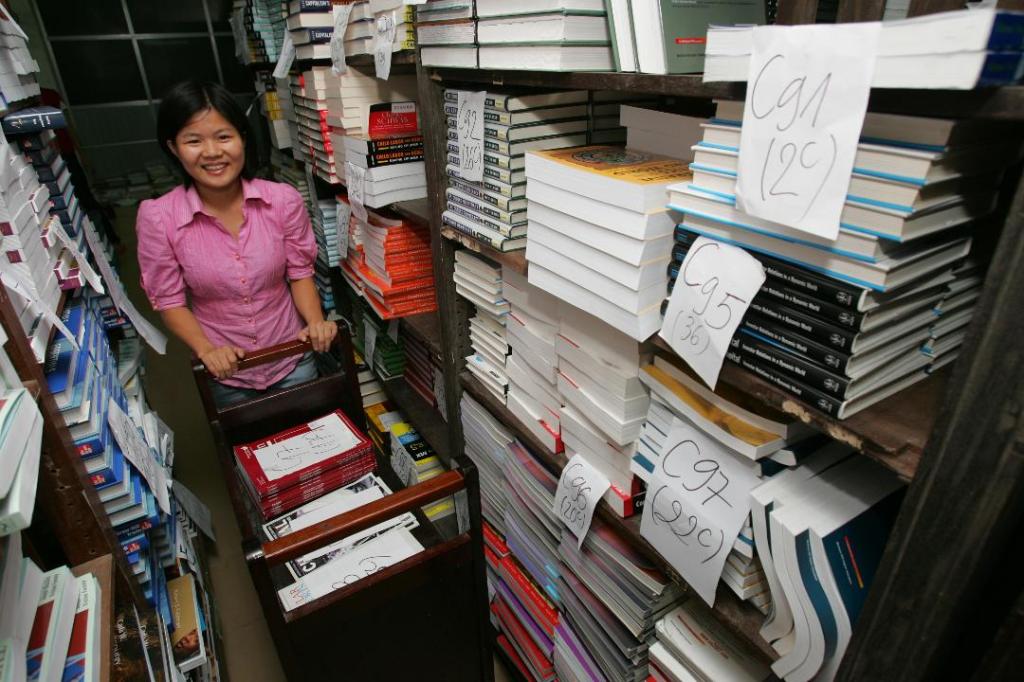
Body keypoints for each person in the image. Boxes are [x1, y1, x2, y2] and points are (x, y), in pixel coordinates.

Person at [136, 80, 336, 406]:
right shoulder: (158, 217)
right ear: (173, 147)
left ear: (242, 137)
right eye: (194, 140)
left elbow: (300, 273)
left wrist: (315, 322)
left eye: (223, 137)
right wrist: (206, 349)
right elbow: (169, 301)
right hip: (226, 372)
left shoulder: (282, 200)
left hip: (292, 356)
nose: (212, 152)